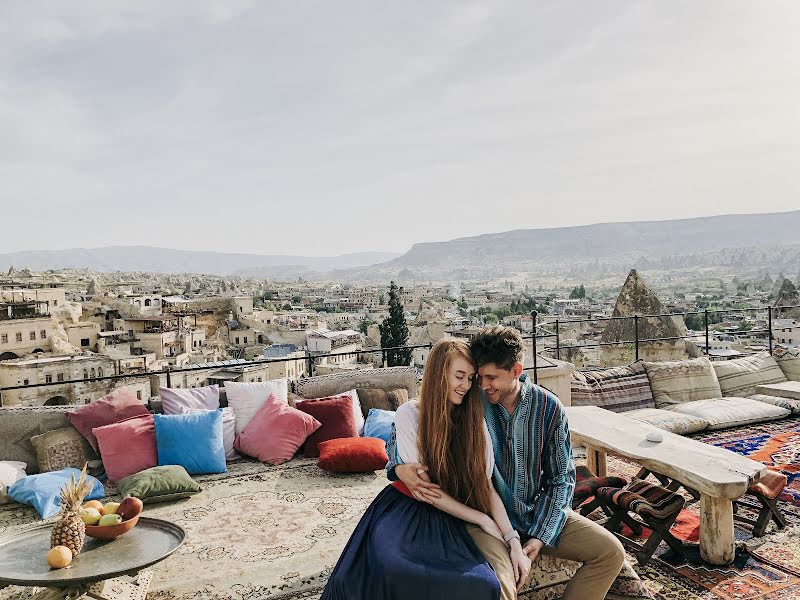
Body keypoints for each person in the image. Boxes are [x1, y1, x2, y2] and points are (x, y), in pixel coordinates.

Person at [396, 327, 626, 600]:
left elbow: (561, 479)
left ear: (517, 371)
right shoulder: (470, 400)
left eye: (491, 378)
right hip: (484, 515)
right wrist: (399, 467)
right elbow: (418, 420)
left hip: (532, 512)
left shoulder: (549, 408)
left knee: (611, 553)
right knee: (501, 585)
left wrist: (541, 535)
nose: (482, 385)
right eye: (478, 377)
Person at [321, 338, 528, 600]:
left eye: (470, 378)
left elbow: (485, 486)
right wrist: (481, 519)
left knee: (480, 582)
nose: (465, 386)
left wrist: (512, 540)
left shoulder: (474, 420)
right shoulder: (411, 413)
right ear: (439, 374)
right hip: (406, 511)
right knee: (393, 566)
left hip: (447, 516)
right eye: (459, 376)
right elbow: (428, 492)